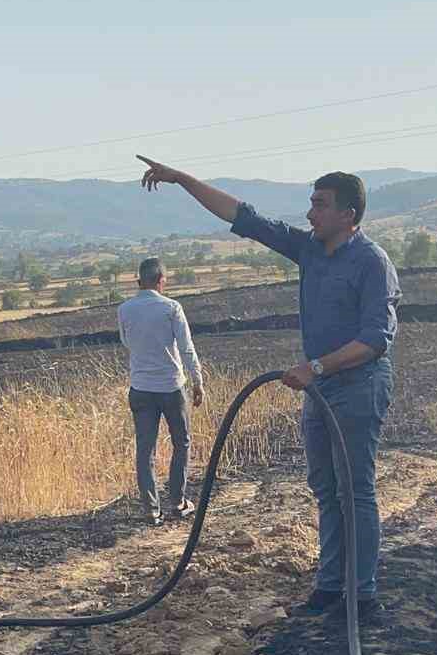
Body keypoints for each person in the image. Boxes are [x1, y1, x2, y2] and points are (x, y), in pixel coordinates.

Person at [137, 156, 400, 618]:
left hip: (356, 387)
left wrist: (316, 367)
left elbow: (375, 340)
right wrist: (181, 179)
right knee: (324, 486)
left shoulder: (372, 263)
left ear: (348, 215)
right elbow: (245, 217)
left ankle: (363, 594)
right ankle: (330, 585)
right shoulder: (311, 250)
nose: (310, 213)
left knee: (355, 491)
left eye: (319, 205)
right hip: (319, 390)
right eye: (310, 203)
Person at [117, 257, 205, 525]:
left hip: (140, 388)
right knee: (182, 443)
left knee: (145, 449)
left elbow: (125, 341)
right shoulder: (171, 308)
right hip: (171, 387)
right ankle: (178, 502)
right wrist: (197, 380)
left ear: (138, 281)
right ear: (161, 281)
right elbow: (187, 347)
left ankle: (151, 509)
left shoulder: (124, 309)